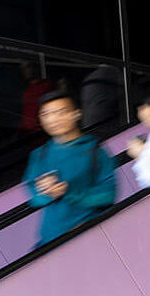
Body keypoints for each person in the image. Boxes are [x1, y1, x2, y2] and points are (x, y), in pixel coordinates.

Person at [23, 91, 117, 246]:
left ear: (76, 114)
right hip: (50, 240)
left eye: (61, 112)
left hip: (90, 237)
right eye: (46, 114)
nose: (53, 119)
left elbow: (109, 194)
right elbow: (34, 199)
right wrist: (47, 194)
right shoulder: (39, 155)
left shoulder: (95, 150)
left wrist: (69, 192)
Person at [79, 64, 124, 135]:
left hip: (88, 124)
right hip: (104, 124)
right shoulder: (112, 73)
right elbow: (127, 91)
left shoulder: (90, 77)